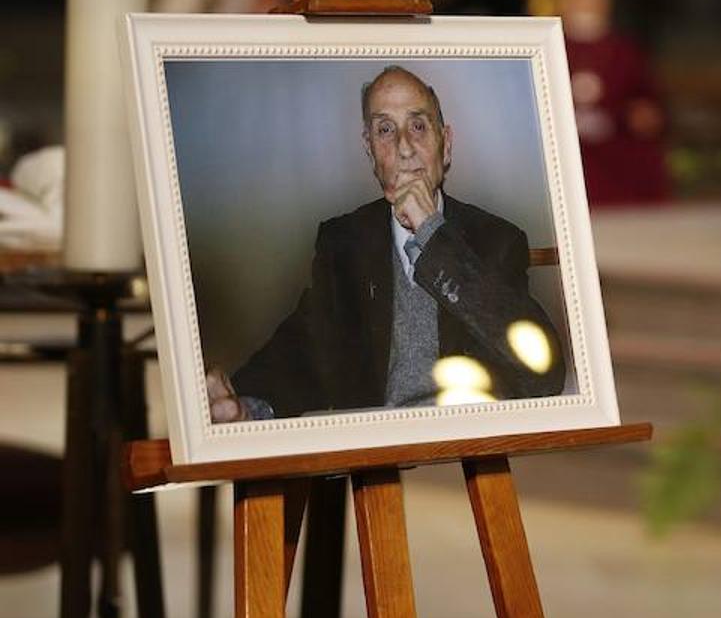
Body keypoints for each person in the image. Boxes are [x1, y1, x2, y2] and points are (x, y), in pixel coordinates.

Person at [206, 66, 565, 422]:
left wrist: (432, 234)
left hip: (461, 445)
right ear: (370, 151)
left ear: (447, 144)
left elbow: (540, 374)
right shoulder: (344, 240)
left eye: (419, 126)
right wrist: (246, 406)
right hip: (376, 450)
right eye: (385, 130)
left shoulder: (496, 238)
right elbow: (305, 348)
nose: (405, 147)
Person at [558, 0, 671, 205]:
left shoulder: (623, 50)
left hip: (614, 136)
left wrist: (643, 114)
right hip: (561, 137)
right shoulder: (551, 44)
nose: (588, 1)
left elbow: (647, 99)